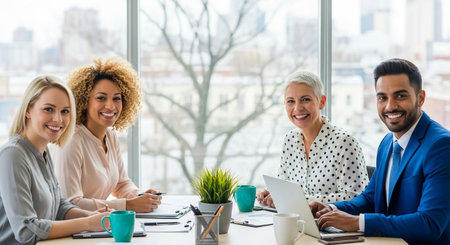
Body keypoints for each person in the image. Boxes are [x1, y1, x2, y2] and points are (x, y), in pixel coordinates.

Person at [311, 58, 450, 244]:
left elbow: (430, 224)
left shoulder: (441, 146)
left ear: (421, 98)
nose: (390, 106)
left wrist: (357, 222)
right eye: (382, 97)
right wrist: (330, 208)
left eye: (400, 96)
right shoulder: (387, 143)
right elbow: (370, 199)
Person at [0, 75, 110, 244]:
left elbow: (58, 206)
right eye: (48, 109)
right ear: (28, 110)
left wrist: (95, 217)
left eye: (65, 111)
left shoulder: (43, 151)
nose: (58, 119)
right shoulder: (13, 155)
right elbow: (26, 231)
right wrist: (88, 223)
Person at [54, 57, 161, 213]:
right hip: (75, 230)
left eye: (116, 98)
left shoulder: (110, 136)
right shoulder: (72, 141)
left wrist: (140, 196)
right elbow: (70, 204)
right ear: (84, 101)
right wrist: (129, 205)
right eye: (101, 98)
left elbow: (121, 184)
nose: (111, 106)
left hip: (99, 226)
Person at [257, 71, 369, 207]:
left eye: (306, 99)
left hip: (335, 226)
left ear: (321, 102)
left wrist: (303, 201)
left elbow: (355, 197)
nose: (297, 108)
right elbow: (284, 186)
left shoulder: (344, 142)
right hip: (297, 223)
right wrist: (271, 194)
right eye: (291, 101)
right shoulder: (289, 140)